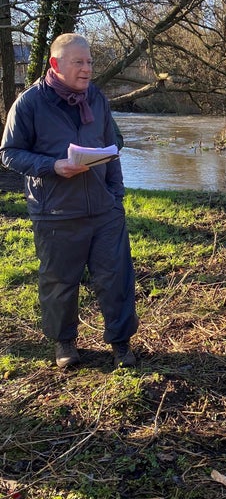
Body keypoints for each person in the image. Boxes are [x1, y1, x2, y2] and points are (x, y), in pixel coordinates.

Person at [0, 33, 139, 368]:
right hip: (56, 212)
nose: (87, 69)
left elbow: (111, 151)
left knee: (116, 277)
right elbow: (9, 153)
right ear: (55, 64)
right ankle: (64, 344)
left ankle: (121, 344)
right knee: (59, 283)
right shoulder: (30, 103)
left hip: (103, 210)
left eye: (90, 61)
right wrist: (52, 166)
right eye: (79, 62)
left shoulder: (97, 99)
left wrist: (116, 198)